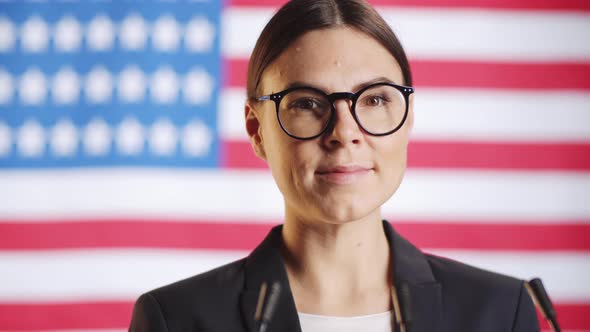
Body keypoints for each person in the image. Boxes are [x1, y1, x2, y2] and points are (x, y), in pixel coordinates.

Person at [129, 0, 540, 331]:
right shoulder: (175, 319)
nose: (344, 132)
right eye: (307, 103)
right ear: (256, 129)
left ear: (408, 116)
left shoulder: (502, 312)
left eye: (376, 99)